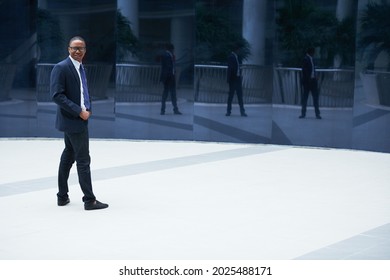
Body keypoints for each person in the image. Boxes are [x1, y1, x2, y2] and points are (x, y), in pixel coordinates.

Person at [50, 36, 109, 211]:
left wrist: (89, 108)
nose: (78, 51)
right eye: (74, 48)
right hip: (73, 120)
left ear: (85, 50)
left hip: (78, 118)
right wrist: (79, 111)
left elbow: (83, 91)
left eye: (81, 48)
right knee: (83, 160)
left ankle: (62, 197)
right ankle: (89, 200)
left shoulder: (80, 67)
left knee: (68, 156)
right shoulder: (61, 68)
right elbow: (56, 95)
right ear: (68, 49)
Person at [159, 43, 181, 115]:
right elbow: (168, 67)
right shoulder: (167, 55)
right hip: (169, 77)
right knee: (171, 94)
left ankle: (164, 110)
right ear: (171, 49)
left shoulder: (168, 55)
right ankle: (174, 109)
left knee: (167, 93)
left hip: (168, 77)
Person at [300, 47, 321, 119]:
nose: (314, 54)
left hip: (312, 80)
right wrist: (308, 78)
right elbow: (304, 71)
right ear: (311, 52)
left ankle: (316, 113)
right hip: (308, 82)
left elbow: (312, 69)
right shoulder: (306, 59)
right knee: (307, 98)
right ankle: (304, 113)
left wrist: (314, 76)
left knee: (313, 97)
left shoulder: (311, 59)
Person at [226, 43, 247, 117]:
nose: (239, 51)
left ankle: (242, 111)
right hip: (233, 79)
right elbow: (230, 69)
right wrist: (229, 79)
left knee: (239, 96)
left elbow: (238, 67)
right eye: (238, 50)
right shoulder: (231, 57)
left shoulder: (237, 57)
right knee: (231, 96)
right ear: (236, 50)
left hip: (237, 78)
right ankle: (229, 111)